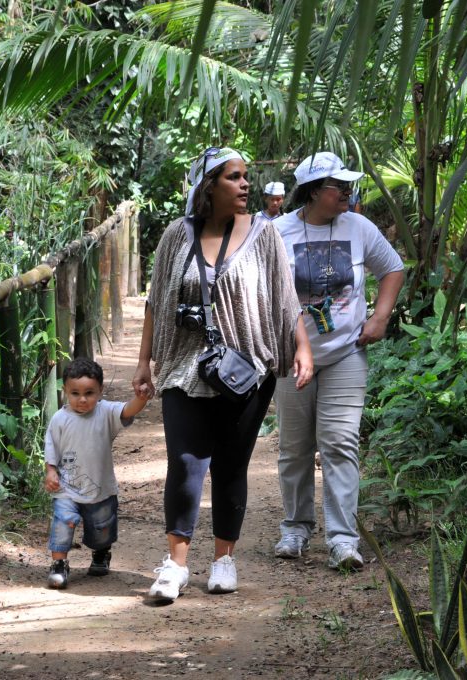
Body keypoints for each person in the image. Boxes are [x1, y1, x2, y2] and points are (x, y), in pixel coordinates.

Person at [132, 146, 313, 602]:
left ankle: (223, 560)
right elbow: (157, 300)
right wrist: (142, 361)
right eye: (234, 177)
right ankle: (175, 565)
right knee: (186, 463)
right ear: (208, 186)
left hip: (246, 369)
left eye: (246, 176)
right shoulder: (177, 234)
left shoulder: (265, 234)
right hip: (183, 367)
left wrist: (302, 348)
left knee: (232, 465)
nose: (245, 184)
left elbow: (285, 297)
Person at [271, 151, 404, 571]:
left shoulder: (359, 227)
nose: (347, 193)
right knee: (294, 448)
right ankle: (295, 527)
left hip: (347, 352)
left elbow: (393, 269)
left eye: (348, 186)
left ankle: (343, 539)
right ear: (312, 192)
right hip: (291, 357)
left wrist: (380, 317)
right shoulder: (276, 232)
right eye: (338, 187)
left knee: (340, 443)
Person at [44, 357, 151, 589]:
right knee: (63, 521)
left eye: (89, 393)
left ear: (100, 391)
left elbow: (128, 409)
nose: (82, 399)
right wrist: (50, 471)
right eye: (75, 393)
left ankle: (101, 553)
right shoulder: (59, 419)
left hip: (100, 488)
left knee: (101, 530)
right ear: (65, 392)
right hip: (67, 488)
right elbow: (51, 448)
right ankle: (59, 565)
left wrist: (140, 399)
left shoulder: (106, 412)